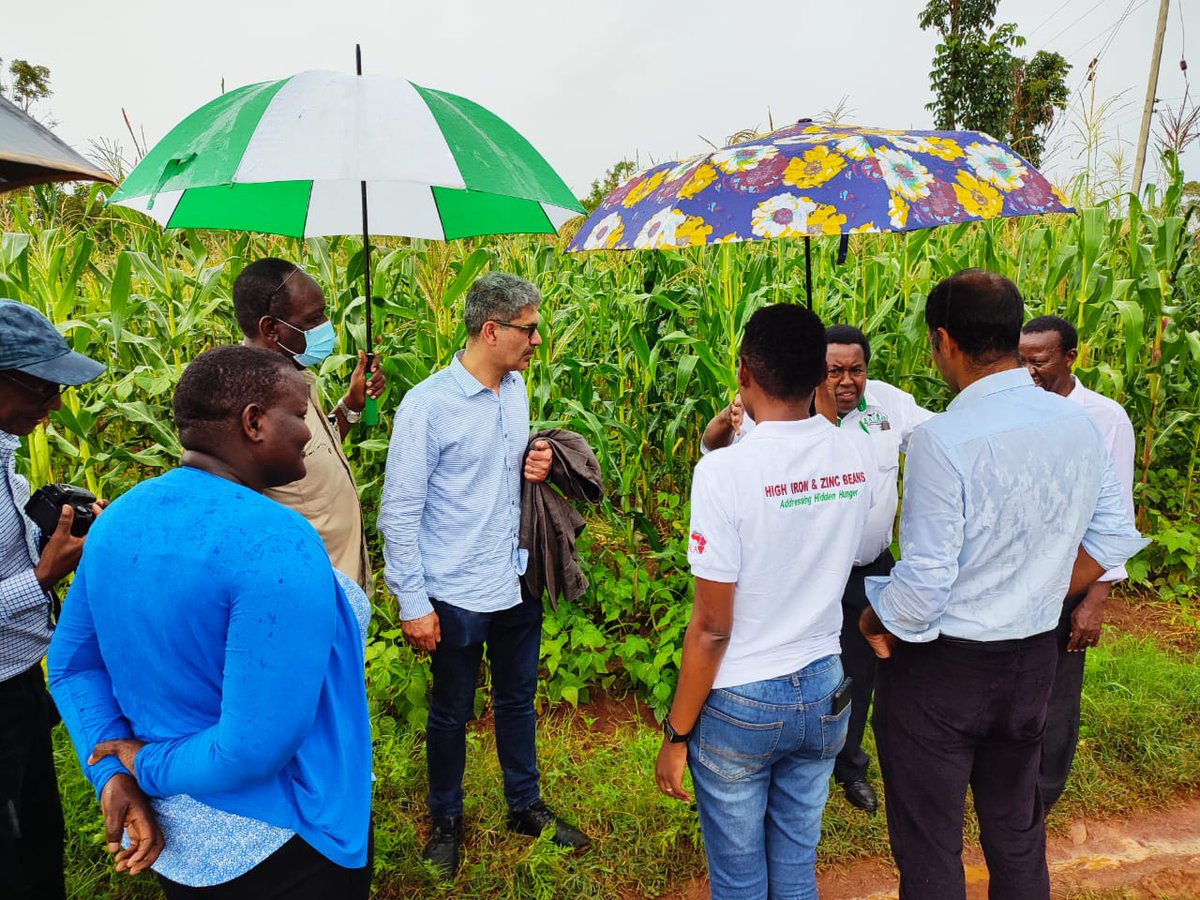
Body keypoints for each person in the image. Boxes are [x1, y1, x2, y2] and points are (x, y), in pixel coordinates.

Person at [859, 270, 1147, 900]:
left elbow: (926, 583)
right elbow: (1112, 537)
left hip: (944, 670)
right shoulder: (1077, 423)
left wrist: (876, 619)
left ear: (944, 342)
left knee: (931, 842)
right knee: (1017, 833)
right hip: (1031, 662)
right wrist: (1042, 591)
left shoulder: (942, 438)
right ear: (1014, 335)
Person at [47, 345, 373, 898]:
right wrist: (141, 766)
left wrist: (113, 774)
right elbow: (250, 749)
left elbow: (72, 665)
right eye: (298, 415)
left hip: (179, 842)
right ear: (253, 422)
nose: (308, 433)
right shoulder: (274, 541)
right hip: (286, 838)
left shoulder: (119, 518)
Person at [655, 303, 873, 899]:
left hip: (743, 700)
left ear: (745, 373)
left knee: (739, 879)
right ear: (821, 377)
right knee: (796, 870)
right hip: (827, 686)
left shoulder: (725, 472)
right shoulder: (853, 455)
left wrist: (676, 736)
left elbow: (711, 630)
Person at [378, 272, 587, 879]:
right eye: (529, 328)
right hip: (456, 591)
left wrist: (538, 461)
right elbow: (400, 510)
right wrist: (413, 602)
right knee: (450, 712)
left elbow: (506, 472)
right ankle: (446, 820)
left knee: (518, 700)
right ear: (491, 331)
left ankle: (525, 805)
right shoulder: (428, 405)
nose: (538, 340)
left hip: (514, 576)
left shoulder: (516, 390)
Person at [701, 323, 933, 813]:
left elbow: (941, 443)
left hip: (868, 569)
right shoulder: (776, 416)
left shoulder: (892, 407)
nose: (845, 382)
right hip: (806, 574)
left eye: (856, 370)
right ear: (811, 374)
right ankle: (805, 764)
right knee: (812, 668)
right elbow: (725, 460)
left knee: (860, 673)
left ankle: (849, 765)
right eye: (832, 372)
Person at [0, 298, 156, 898]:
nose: (55, 404)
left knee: (40, 840)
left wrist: (57, 527)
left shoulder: (3, 447)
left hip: (19, 685)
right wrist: (42, 575)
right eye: (43, 389)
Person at [1020, 314, 1137, 812]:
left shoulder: (1105, 417)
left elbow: (1117, 515)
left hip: (1072, 580)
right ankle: (1008, 790)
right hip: (1020, 577)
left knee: (1058, 695)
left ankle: (1041, 798)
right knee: (1017, 686)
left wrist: (1096, 599)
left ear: (1071, 357)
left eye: (1039, 361)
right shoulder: (1016, 408)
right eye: (1021, 359)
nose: (1029, 370)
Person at [233, 257, 384, 593]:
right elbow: (236, 517)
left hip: (340, 587)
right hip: (305, 593)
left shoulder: (295, 378)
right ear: (271, 328)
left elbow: (309, 451)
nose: (326, 326)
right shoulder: (250, 406)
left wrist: (351, 405)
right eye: (313, 319)